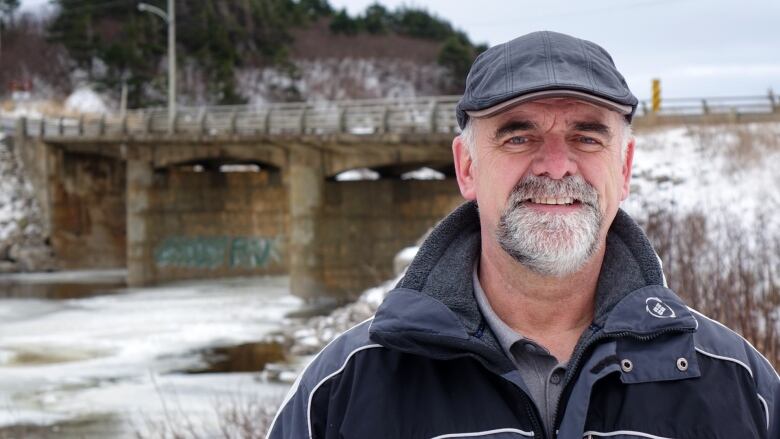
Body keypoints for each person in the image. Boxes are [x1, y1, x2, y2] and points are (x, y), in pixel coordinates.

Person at [267, 31, 779, 439]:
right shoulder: (344, 390)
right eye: (518, 135)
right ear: (467, 167)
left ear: (624, 170)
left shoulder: (738, 386)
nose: (556, 167)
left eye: (585, 136)